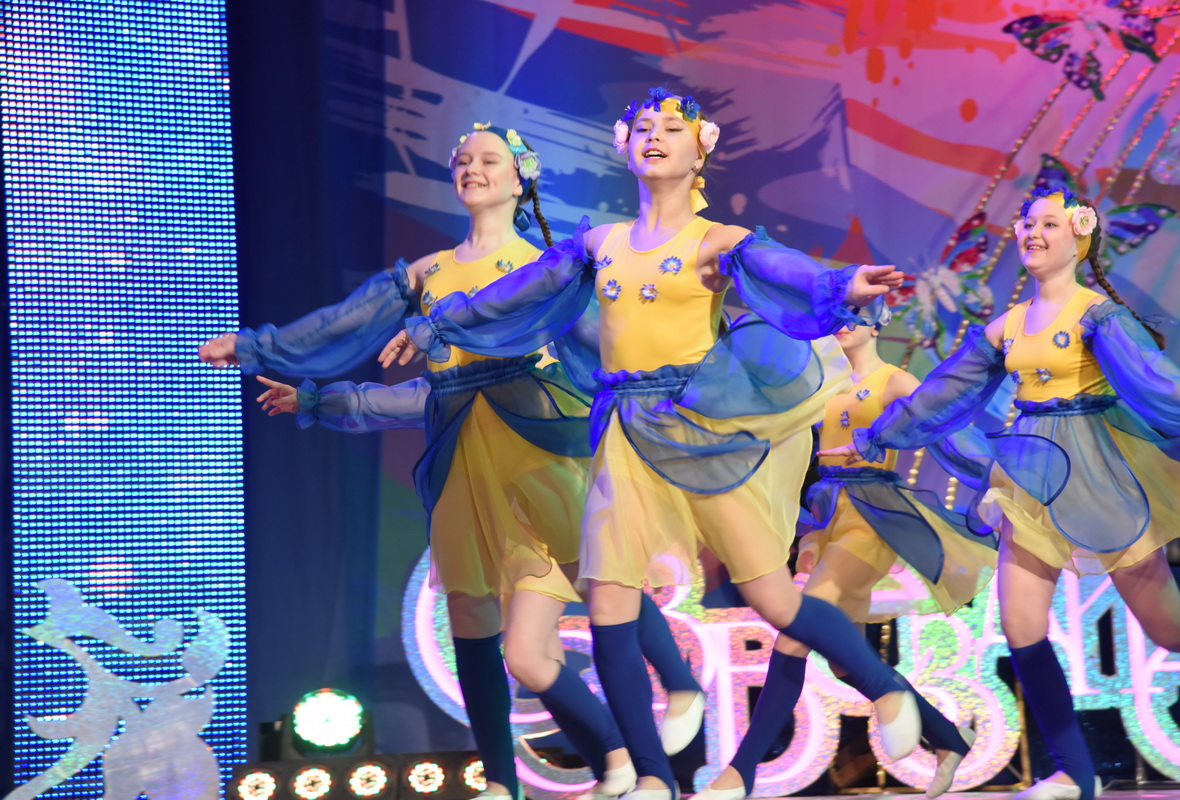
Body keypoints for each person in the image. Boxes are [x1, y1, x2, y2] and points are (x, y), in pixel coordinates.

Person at [394, 88, 922, 800]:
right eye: (642, 126)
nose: (654, 135)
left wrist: (841, 282)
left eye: (672, 128)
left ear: (699, 151)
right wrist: (439, 322)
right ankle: (650, 776)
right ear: (624, 147)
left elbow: (782, 269)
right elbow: (516, 293)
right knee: (608, 601)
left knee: (771, 595)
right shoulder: (600, 244)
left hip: (699, 429)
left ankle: (887, 687)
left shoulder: (715, 241)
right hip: (623, 430)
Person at [200, 123, 703, 800]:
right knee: (474, 620)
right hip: (464, 462)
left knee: (599, 577)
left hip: (536, 443)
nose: (472, 168)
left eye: (488, 159)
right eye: (462, 159)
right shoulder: (427, 273)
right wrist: (280, 364)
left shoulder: (542, 265)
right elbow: (352, 329)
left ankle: (676, 694)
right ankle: (503, 780)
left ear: (520, 178)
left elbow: (611, 347)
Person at [820, 187, 1180, 800]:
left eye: (1048, 223)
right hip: (1030, 480)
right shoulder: (1008, 325)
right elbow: (945, 392)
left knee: (1173, 633)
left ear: (1079, 237)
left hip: (1100, 478)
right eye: (1026, 223)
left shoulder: (1097, 315)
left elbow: (1159, 383)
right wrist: (877, 435)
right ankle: (1075, 773)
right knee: (1021, 625)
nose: (1032, 233)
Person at [696, 309, 999, 800]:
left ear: (877, 326)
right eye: (837, 313)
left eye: (856, 316)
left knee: (795, 635)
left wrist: (996, 476)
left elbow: (946, 427)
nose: (844, 322)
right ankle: (947, 738)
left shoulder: (894, 380)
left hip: (873, 518)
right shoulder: (821, 382)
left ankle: (741, 772)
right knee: (844, 661)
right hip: (827, 517)